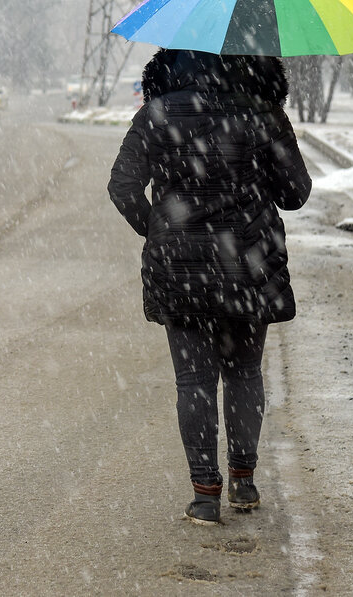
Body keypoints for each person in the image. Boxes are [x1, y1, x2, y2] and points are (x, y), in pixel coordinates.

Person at [108, 48, 311, 526]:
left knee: (193, 381)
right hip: (248, 266)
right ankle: (243, 479)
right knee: (244, 373)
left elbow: (122, 186)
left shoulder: (157, 113)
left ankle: (204, 493)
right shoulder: (262, 113)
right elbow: (295, 193)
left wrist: (161, 229)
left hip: (181, 271)